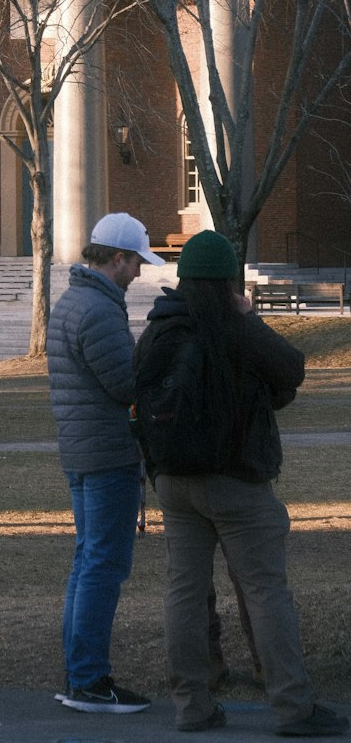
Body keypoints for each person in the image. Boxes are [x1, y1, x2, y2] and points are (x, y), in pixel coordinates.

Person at [133, 230, 349, 738]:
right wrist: (249, 316)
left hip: (174, 480)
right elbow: (291, 370)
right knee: (265, 591)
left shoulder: (160, 326)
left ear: (183, 277)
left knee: (183, 592)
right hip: (235, 480)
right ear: (229, 279)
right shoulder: (233, 325)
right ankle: (293, 706)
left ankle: (192, 704)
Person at [46, 211, 165, 714]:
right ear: (116, 258)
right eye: (135, 262)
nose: (138, 272)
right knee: (103, 565)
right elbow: (126, 383)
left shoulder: (73, 301)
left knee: (87, 562)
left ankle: (81, 674)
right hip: (105, 453)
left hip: (82, 450)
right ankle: (90, 679)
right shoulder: (97, 309)